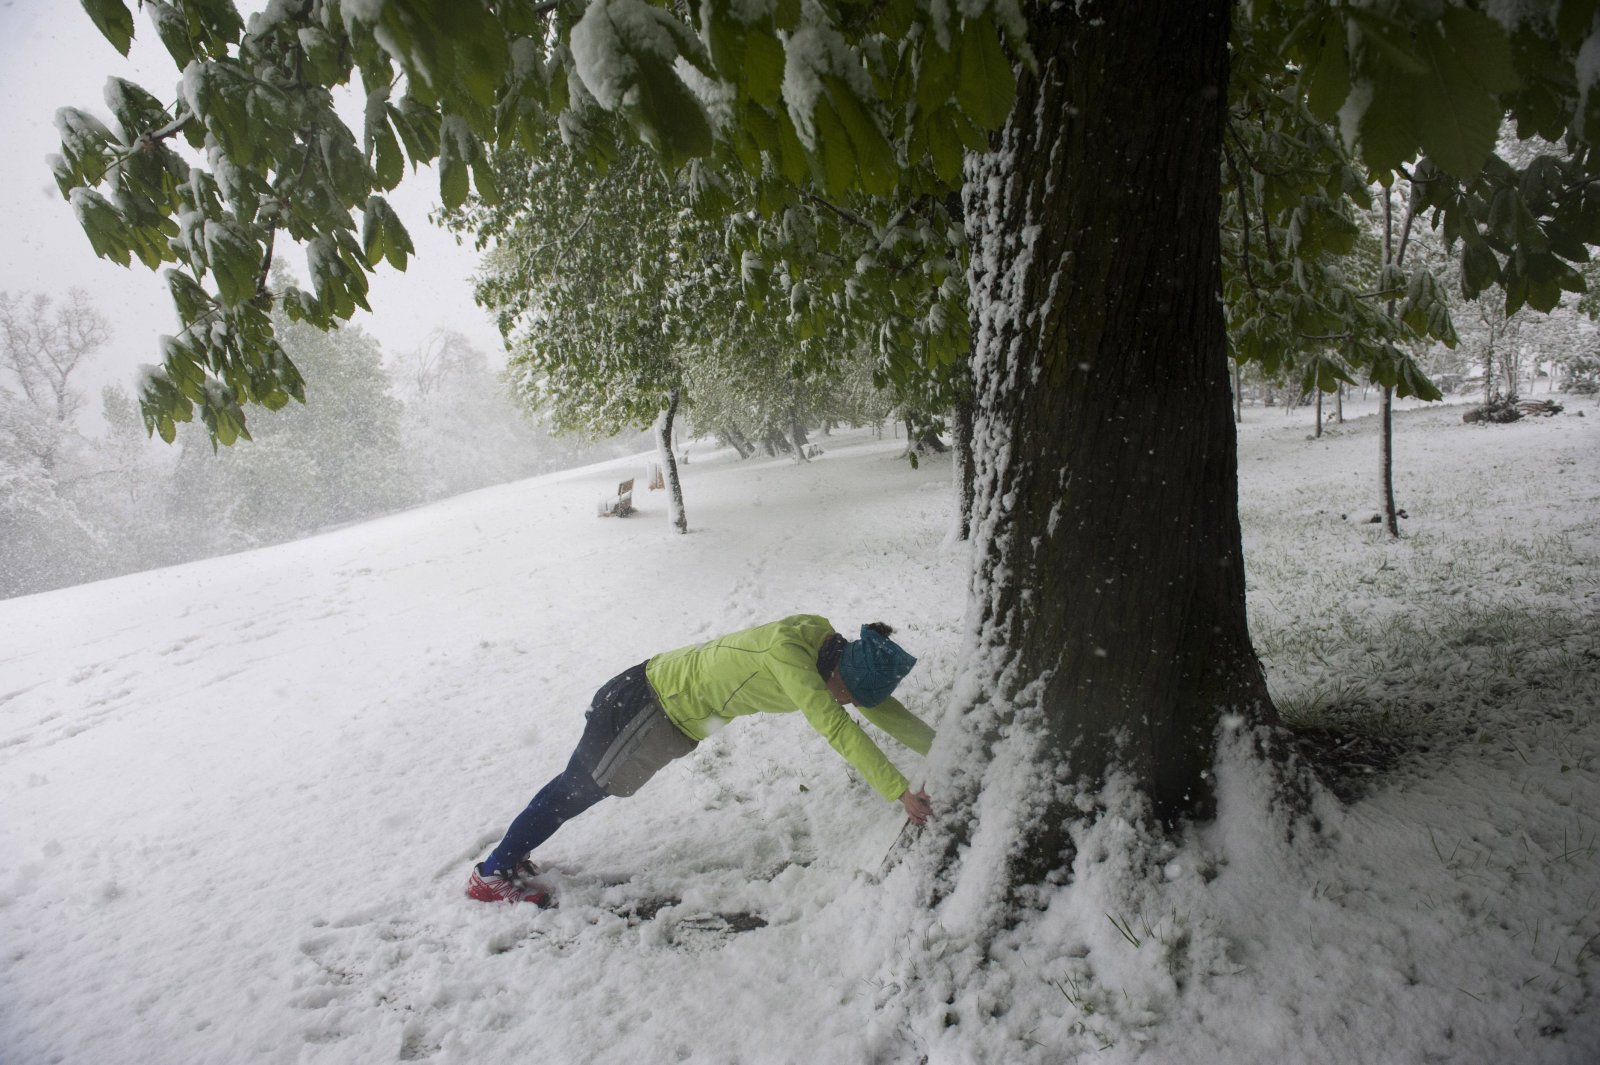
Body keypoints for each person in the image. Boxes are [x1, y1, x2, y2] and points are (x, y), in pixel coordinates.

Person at [467, 615, 936, 904]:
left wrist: (941, 745)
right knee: (576, 790)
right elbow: (838, 729)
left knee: (576, 787)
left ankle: (509, 857)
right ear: (838, 676)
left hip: (656, 703)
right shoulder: (794, 664)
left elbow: (877, 705)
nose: (846, 703)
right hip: (647, 709)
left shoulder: (824, 643)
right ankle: (491, 873)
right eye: (847, 696)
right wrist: (899, 792)